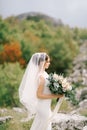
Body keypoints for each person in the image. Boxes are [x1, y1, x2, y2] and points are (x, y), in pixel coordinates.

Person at [19, 52, 63, 130]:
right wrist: (56, 96)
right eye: (48, 61)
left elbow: (47, 89)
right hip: (43, 107)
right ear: (42, 62)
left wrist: (58, 89)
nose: (49, 63)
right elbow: (39, 95)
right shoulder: (41, 77)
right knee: (44, 126)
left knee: (42, 126)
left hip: (45, 106)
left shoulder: (44, 73)